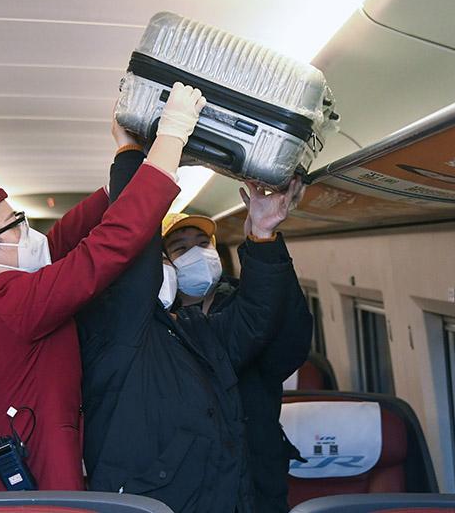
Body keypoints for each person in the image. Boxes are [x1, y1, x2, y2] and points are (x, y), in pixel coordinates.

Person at [0, 83, 205, 493]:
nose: (29, 232)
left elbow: (57, 244)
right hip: (24, 493)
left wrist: (132, 163)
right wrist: (172, 134)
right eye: (16, 224)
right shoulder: (3, 304)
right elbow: (105, 249)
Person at [78, 136, 299, 513]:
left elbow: (255, 319)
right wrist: (132, 155)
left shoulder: (193, 329)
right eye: (168, 256)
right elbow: (131, 248)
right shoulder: (112, 332)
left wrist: (262, 236)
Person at [163, 190, 313, 513]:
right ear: (165, 264)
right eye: (180, 248)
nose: (196, 253)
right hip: (192, 484)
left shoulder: (252, 302)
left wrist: (264, 243)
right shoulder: (159, 328)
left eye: (202, 243)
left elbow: (292, 342)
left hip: (259, 475)